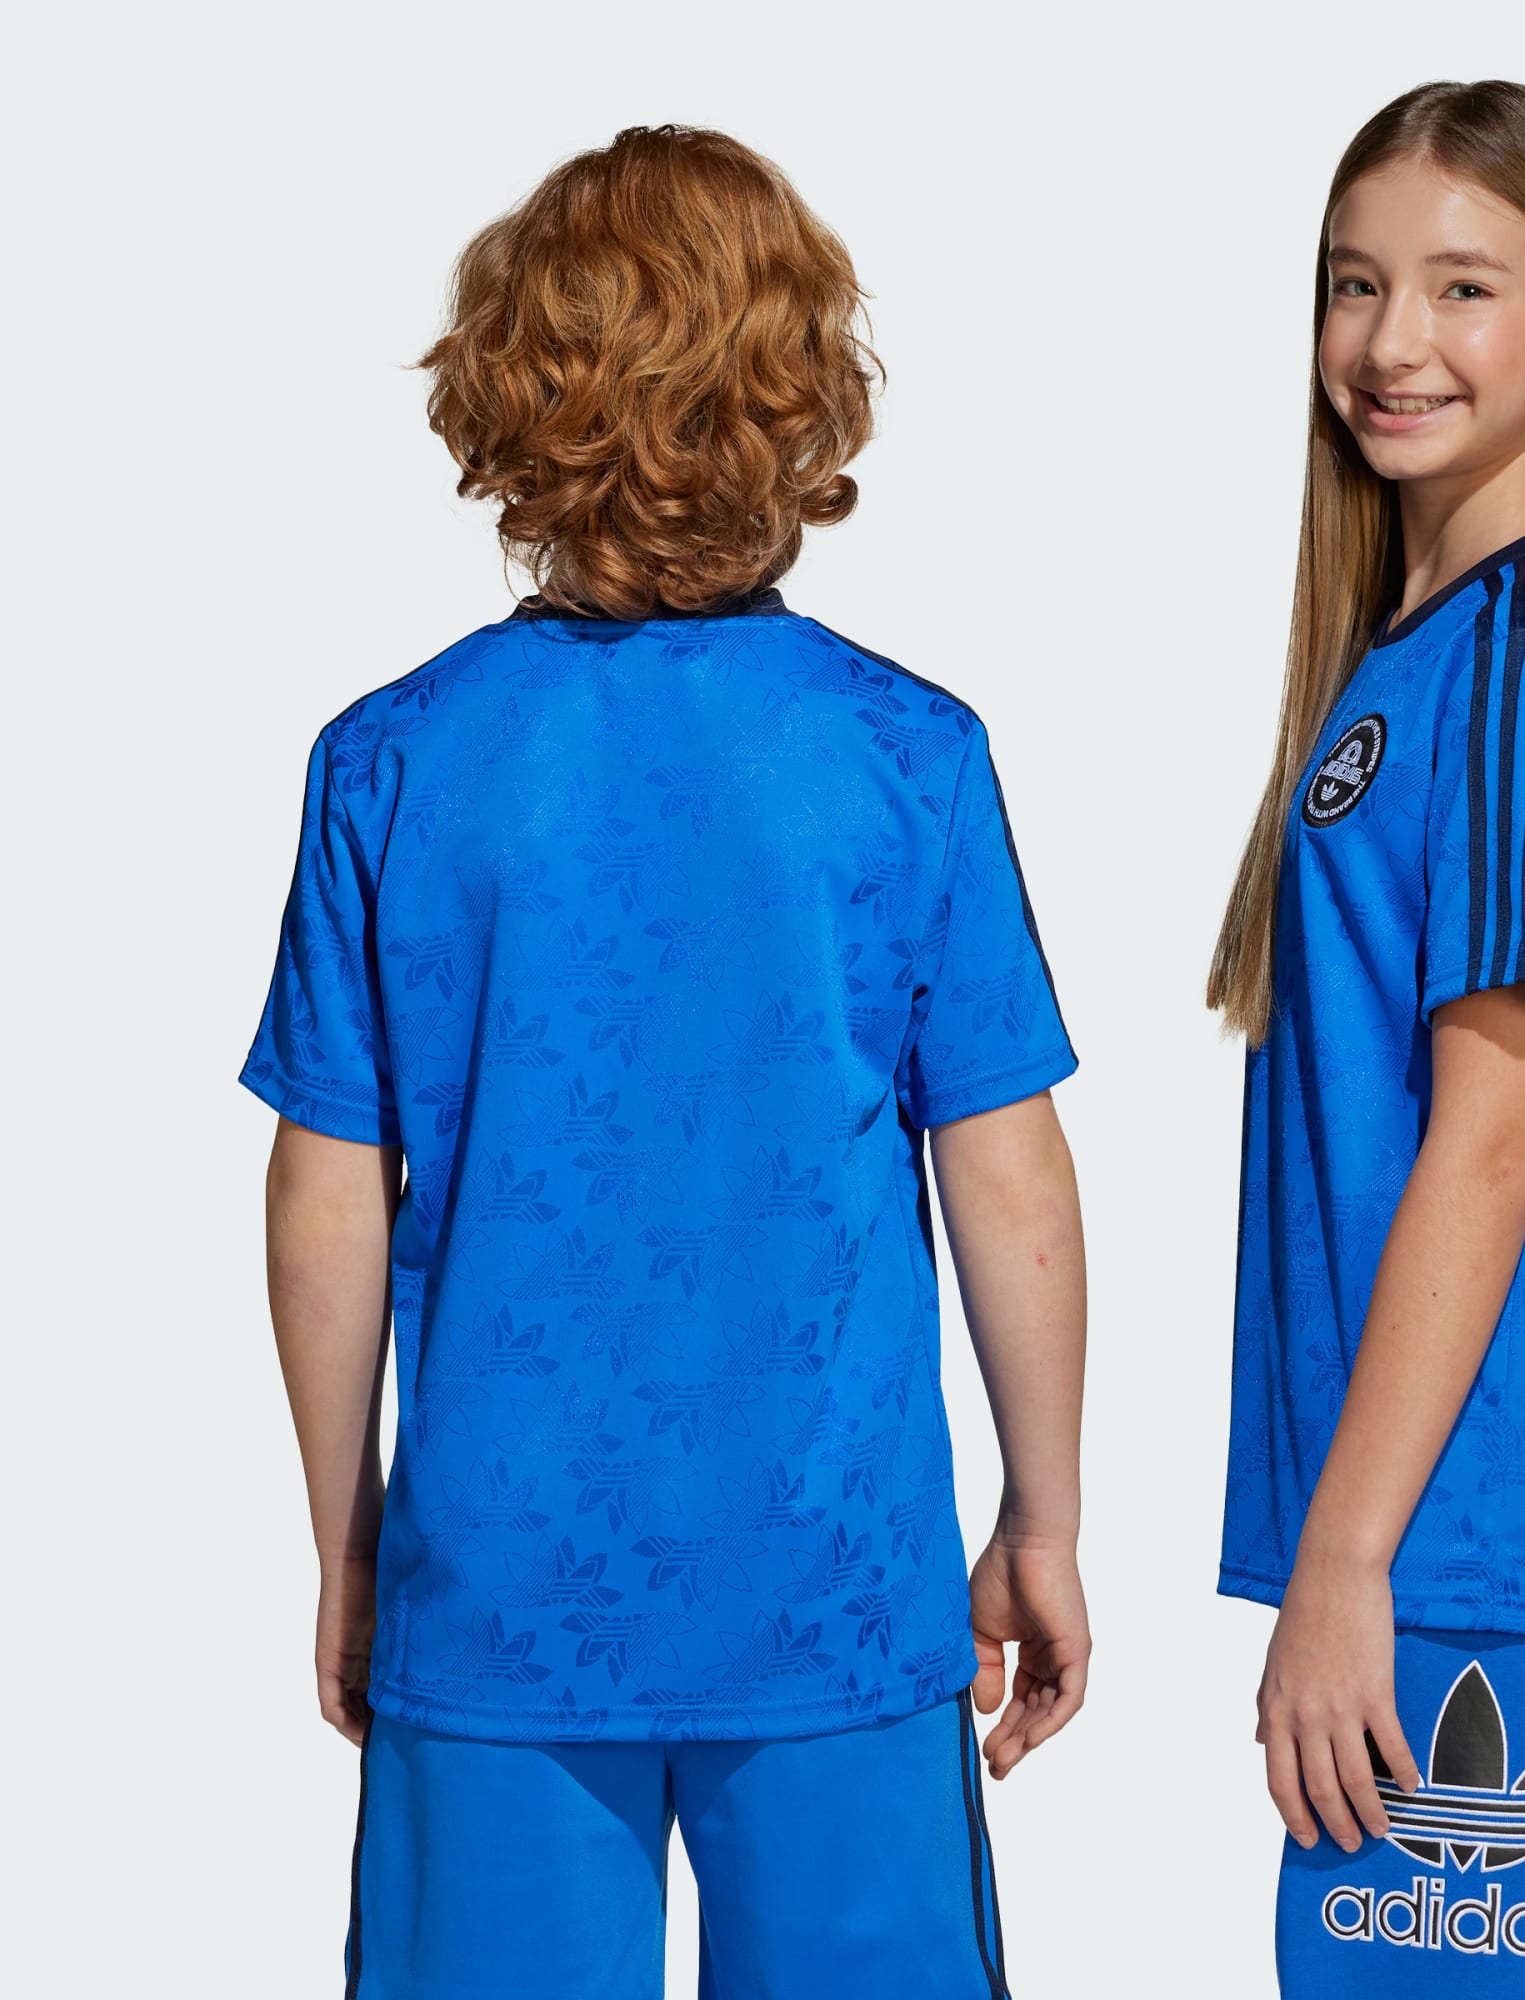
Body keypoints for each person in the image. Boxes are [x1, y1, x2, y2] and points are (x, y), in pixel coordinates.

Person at [240, 124, 1087, 2000]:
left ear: (507, 393)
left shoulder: (391, 762)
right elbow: (1008, 1174)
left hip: (500, 1585)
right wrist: (1040, 1517)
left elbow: (325, 1195)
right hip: (834, 1582)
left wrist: (351, 1545)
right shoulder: (906, 756)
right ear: (804, 396)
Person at [1209, 81, 1525, 1996]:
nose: (1393, 340)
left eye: (1464, 286)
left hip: (1457, 1542)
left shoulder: (1524, 662)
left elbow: (1493, 1137)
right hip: (1472, 1538)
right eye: (1357, 284)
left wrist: (1349, 1562)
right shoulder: (1432, 655)